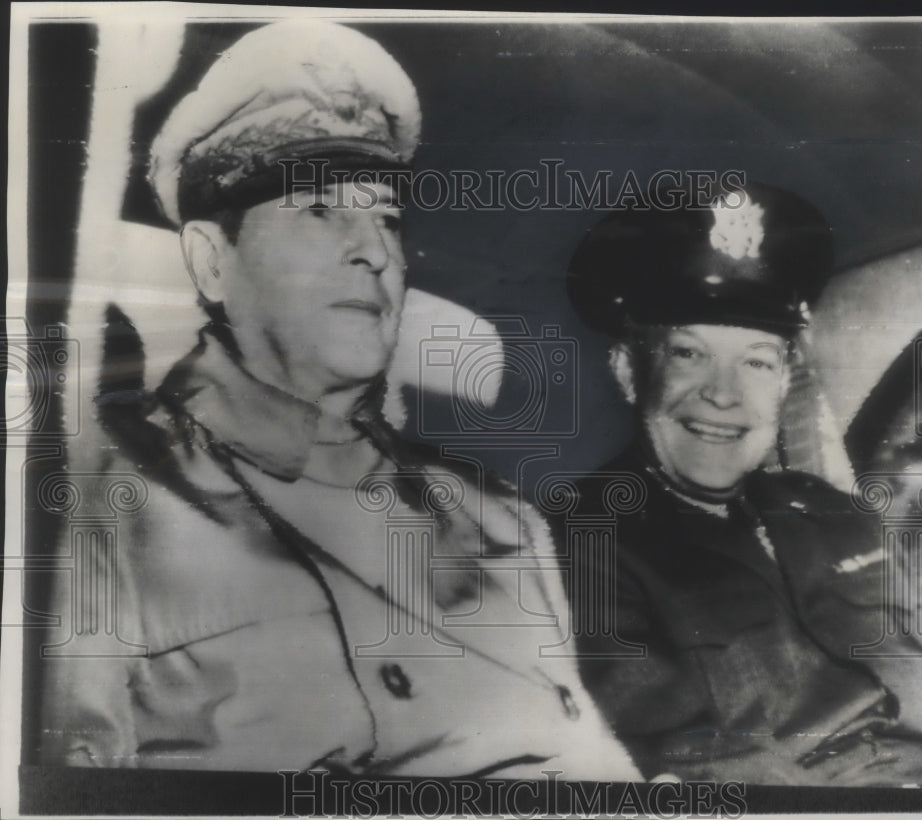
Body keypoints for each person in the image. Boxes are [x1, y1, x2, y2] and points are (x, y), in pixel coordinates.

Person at [39, 20, 637, 780]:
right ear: (211, 261)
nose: (375, 248)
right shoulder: (90, 510)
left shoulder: (500, 516)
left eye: (386, 214)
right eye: (319, 208)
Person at [557, 182, 922, 785]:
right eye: (688, 354)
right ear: (629, 371)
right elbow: (681, 765)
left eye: (756, 360)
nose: (725, 394)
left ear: (783, 385)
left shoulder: (830, 511)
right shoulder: (576, 545)